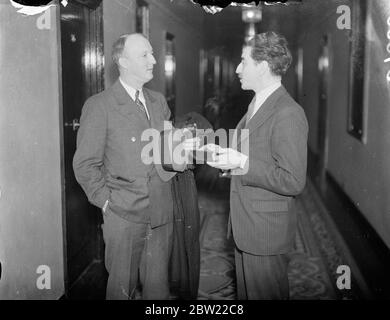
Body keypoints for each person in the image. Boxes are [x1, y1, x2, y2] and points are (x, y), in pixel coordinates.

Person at [73, 33, 195, 300]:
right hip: (123, 216)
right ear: (123, 61)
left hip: (161, 213)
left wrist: (185, 146)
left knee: (158, 293)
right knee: (121, 291)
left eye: (152, 53)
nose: (153, 60)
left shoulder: (158, 101)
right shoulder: (100, 106)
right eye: (145, 55)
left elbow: (165, 152)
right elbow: (84, 164)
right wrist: (106, 203)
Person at [204, 31, 308, 299]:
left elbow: (292, 180)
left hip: (265, 231)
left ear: (262, 66)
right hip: (248, 224)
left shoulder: (288, 112)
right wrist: (226, 155)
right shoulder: (257, 103)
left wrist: (241, 161)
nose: (238, 69)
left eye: (243, 62)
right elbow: (254, 154)